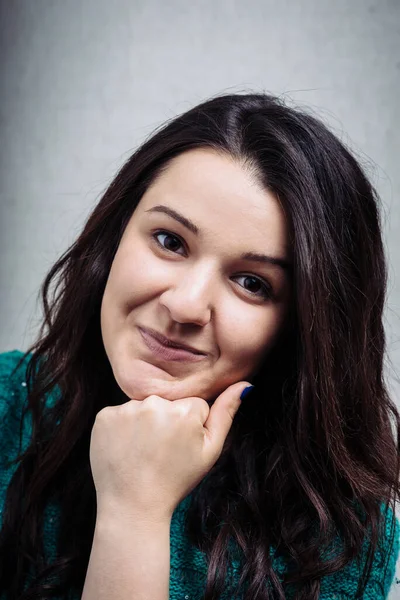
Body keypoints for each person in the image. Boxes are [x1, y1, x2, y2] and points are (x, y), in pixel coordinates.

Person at [0, 92, 399, 600]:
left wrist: (134, 511)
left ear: (301, 327)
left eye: (252, 282)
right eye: (170, 241)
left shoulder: (340, 541)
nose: (187, 305)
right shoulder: (7, 401)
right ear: (114, 239)